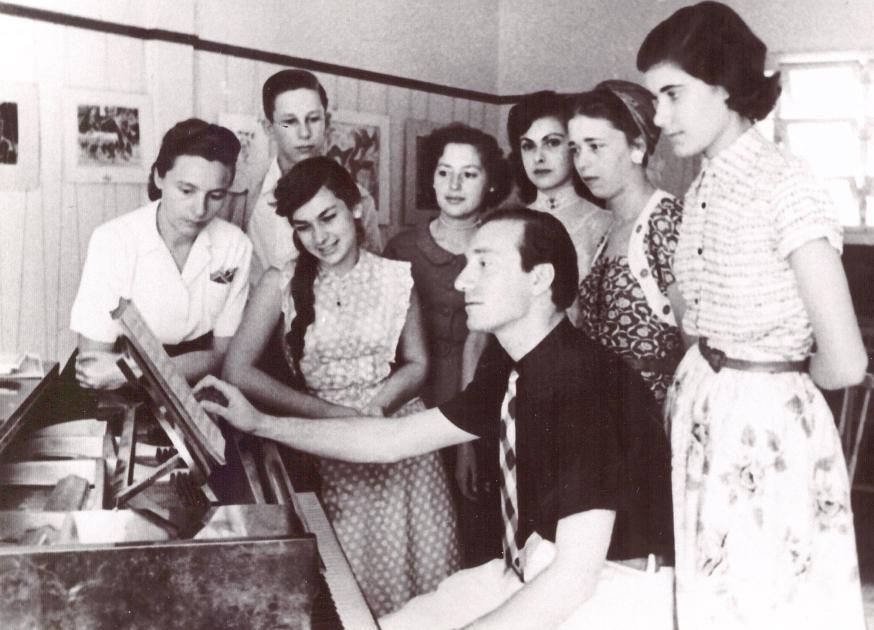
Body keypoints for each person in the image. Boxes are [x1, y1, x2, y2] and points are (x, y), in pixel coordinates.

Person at [199, 208, 674, 630]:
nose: (463, 281)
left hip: (615, 594)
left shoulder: (586, 387)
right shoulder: (511, 362)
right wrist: (260, 423)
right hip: (532, 566)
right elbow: (391, 439)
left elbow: (574, 580)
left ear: (539, 278)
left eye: (484, 264)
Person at [638, 3, 868, 628]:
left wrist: (772, 383)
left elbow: (846, 362)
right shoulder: (703, 185)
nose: (659, 117)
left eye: (673, 95)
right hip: (706, 409)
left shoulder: (785, 184)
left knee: (761, 604)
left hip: (763, 425)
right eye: (654, 99)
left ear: (723, 85)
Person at [222, 156, 459, 616]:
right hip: (326, 449)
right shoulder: (280, 282)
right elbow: (238, 371)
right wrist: (333, 415)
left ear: (355, 207)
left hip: (402, 447)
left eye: (328, 217)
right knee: (349, 594)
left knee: (424, 597)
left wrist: (377, 408)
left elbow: (418, 363)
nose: (320, 236)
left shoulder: (396, 277)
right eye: (304, 226)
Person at [384, 123, 510, 566]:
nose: (454, 185)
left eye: (469, 174)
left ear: (490, 181)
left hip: (486, 403)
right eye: (444, 172)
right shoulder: (401, 249)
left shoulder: (504, 244)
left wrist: (468, 444)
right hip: (415, 402)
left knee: (481, 532)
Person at [70, 118, 250, 390]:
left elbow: (223, 355)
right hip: (116, 386)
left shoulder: (235, 245)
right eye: (186, 190)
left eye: (215, 195)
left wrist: (133, 370)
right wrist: (132, 373)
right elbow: (93, 366)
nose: (199, 209)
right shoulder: (114, 240)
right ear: (159, 177)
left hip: (179, 379)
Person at [569, 81, 686, 409]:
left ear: (637, 147)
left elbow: (696, 345)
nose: (582, 163)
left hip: (654, 416)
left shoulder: (666, 221)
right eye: (575, 149)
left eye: (595, 146)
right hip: (604, 415)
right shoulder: (609, 228)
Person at [246, 68, 382, 284]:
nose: (305, 133)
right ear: (269, 128)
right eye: (290, 121)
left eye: (313, 119)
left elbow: (370, 279)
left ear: (327, 121)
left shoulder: (360, 199)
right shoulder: (242, 195)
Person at [506, 91, 612, 309]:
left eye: (552, 143)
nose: (538, 157)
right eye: (528, 146)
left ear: (575, 147)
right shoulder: (507, 224)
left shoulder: (605, 225)